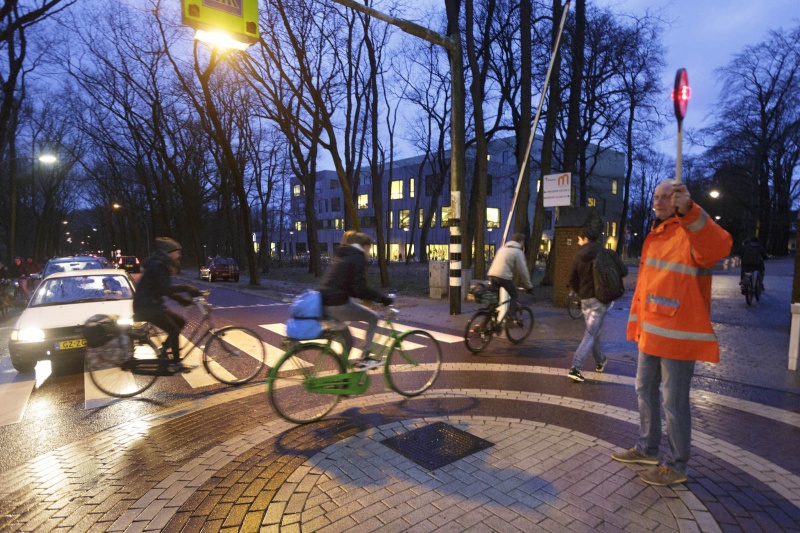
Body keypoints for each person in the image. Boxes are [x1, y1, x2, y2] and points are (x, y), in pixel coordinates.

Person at [611, 179, 732, 486]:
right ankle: (647, 448)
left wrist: (691, 211)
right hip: (652, 332)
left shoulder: (690, 230)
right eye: (656, 196)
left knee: (673, 403)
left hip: (678, 335)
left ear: (679, 200)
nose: (660, 201)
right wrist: (638, 327)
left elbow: (720, 246)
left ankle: (677, 465)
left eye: (668, 196)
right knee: (644, 390)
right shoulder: (656, 233)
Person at [319, 231, 393, 370]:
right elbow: (359, 289)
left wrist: (368, 297)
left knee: (348, 341)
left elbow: (352, 288)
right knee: (373, 317)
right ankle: (365, 358)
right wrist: (382, 298)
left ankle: (342, 378)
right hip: (338, 304)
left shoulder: (343, 255)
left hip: (325, 304)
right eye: (369, 249)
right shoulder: (357, 257)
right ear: (364, 247)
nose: (369, 252)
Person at [567, 226, 627, 383]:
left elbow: (571, 279)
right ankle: (576, 367)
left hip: (585, 300)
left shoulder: (577, 256)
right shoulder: (606, 252)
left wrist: (580, 293)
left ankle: (598, 361)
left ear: (585, 239)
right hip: (601, 300)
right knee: (592, 333)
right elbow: (624, 271)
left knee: (592, 332)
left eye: (579, 239)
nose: (578, 242)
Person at [133, 237, 202, 373]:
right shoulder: (159, 265)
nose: (179, 255)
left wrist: (181, 300)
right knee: (174, 329)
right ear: (169, 252)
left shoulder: (159, 264)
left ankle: (163, 351)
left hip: (150, 304)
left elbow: (162, 288)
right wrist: (187, 288)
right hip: (147, 307)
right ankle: (175, 364)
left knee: (180, 322)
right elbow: (166, 288)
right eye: (177, 252)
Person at [486, 233, 534, 324]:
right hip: (503, 277)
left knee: (495, 300)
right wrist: (529, 286)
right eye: (523, 242)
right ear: (520, 242)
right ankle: (511, 317)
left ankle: (488, 321)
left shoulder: (502, 248)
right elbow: (523, 271)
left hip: (492, 275)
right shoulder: (518, 252)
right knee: (514, 294)